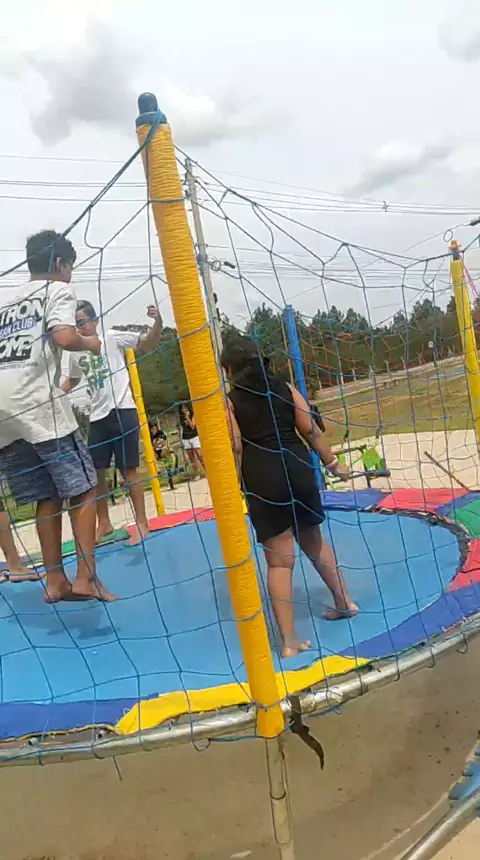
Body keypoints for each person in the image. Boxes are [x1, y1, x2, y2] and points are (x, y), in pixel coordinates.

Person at [221, 336, 358, 659]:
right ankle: (344, 601)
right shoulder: (284, 387)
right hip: (297, 466)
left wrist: (236, 483)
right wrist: (333, 464)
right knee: (313, 539)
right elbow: (310, 429)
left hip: (263, 474)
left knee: (280, 561)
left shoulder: (229, 401)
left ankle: (290, 641)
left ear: (228, 370)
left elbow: (236, 445)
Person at [0, 230, 114, 603]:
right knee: (85, 487)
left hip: (5, 411)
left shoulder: (6, 301)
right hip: (37, 403)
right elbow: (64, 336)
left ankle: (54, 581)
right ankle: (86, 578)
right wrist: (90, 343)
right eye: (70, 268)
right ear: (61, 264)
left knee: (45, 494)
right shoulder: (57, 290)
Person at [62, 301, 163, 546]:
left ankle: (141, 522)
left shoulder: (111, 337)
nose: (80, 328)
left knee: (128, 470)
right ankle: (104, 523)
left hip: (122, 410)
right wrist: (53, 393)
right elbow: (72, 380)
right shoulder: (75, 353)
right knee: (96, 473)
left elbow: (148, 343)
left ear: (95, 321)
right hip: (97, 417)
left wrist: (158, 322)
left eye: (82, 322)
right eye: (76, 325)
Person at [179, 403, 205, 479]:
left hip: (194, 436)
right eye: (182, 408)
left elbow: (193, 426)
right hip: (185, 438)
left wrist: (187, 417)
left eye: (185, 408)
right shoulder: (181, 417)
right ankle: (197, 474)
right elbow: (183, 428)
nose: (184, 410)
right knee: (192, 458)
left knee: (200, 456)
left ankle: (206, 471)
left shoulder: (193, 415)